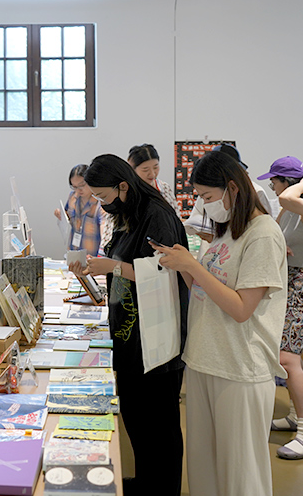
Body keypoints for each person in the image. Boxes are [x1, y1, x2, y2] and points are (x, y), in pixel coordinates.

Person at [154, 150, 287, 496]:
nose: (204, 204)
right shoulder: (227, 231)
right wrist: (183, 264)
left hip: (240, 366)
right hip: (204, 358)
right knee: (204, 467)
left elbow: (242, 308)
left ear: (233, 188)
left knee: (241, 474)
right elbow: (204, 290)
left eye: (208, 196)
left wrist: (193, 266)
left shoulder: (263, 233)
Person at [69, 154, 188, 496]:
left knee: (159, 426)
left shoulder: (156, 214)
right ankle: (148, 481)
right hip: (131, 333)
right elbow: (123, 259)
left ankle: (162, 488)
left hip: (155, 337)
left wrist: (113, 267)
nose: (101, 204)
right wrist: (100, 265)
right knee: (137, 418)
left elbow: (165, 270)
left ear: (123, 186)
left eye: (103, 196)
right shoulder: (128, 211)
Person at [258, 155, 303, 460]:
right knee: (290, 356)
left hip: (299, 285)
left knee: (287, 360)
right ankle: (296, 418)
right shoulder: (288, 209)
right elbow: (273, 233)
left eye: (274, 181)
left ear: (287, 181)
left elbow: (287, 197)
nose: (272, 187)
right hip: (284, 283)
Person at [53, 164, 105, 257]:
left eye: (82, 185)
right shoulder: (73, 196)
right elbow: (68, 216)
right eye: (74, 186)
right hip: (73, 253)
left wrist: (101, 256)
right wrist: (61, 214)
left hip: (91, 256)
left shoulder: (100, 202)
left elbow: (104, 230)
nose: (78, 190)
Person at [127, 143, 181, 215]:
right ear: (133, 170)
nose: (152, 174)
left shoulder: (165, 188)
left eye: (155, 167)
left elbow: (176, 215)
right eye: (145, 170)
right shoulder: (128, 191)